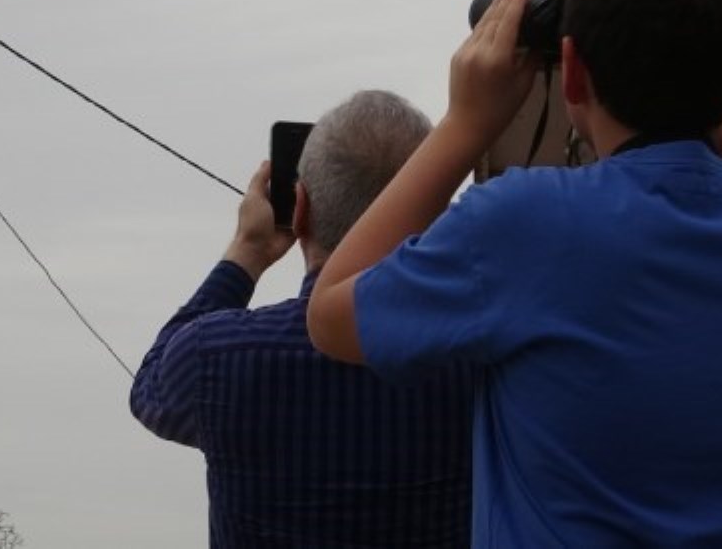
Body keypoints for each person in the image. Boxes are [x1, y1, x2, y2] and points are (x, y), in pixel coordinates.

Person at [307, 0, 722, 546]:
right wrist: (697, 83)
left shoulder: (524, 226)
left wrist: (467, 121)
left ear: (572, 70)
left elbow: (329, 317)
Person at [131, 91, 475, 548]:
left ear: (299, 210)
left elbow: (149, 388)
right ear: (434, 214)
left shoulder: (217, 357)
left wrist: (246, 253)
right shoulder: (477, 363)